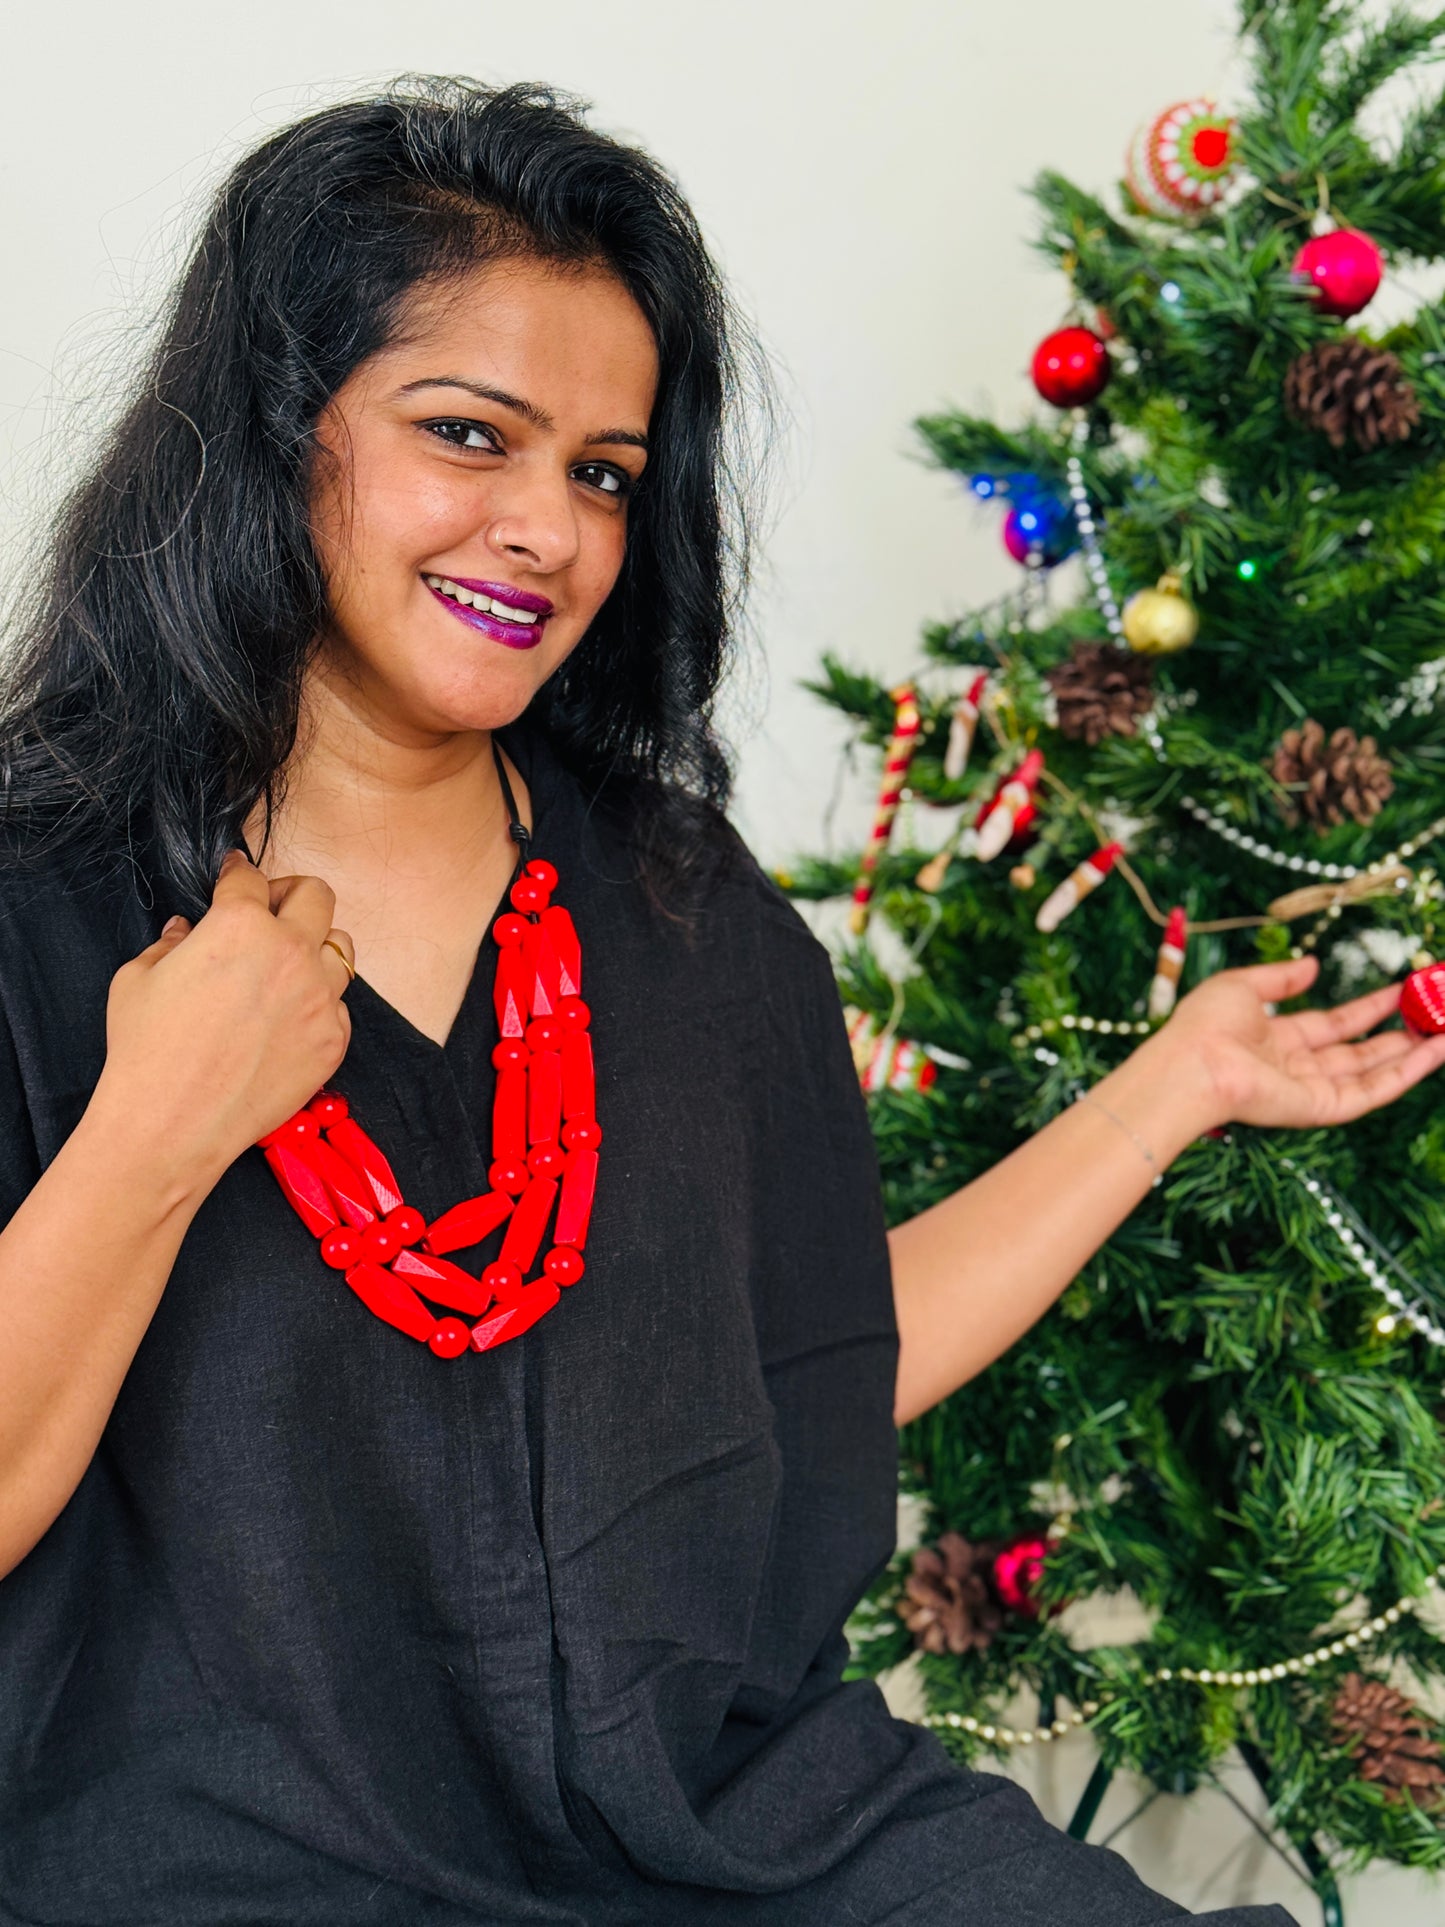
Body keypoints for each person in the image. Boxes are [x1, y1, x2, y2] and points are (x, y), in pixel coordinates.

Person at [1, 76, 1440, 1927]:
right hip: (222, 1876)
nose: (548, 530)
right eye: (469, 434)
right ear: (278, 429)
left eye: (602, 472)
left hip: (725, 1838)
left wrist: (1171, 1088)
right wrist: (155, 1125)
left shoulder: (683, 907)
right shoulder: (41, 906)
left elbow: (810, 1356)